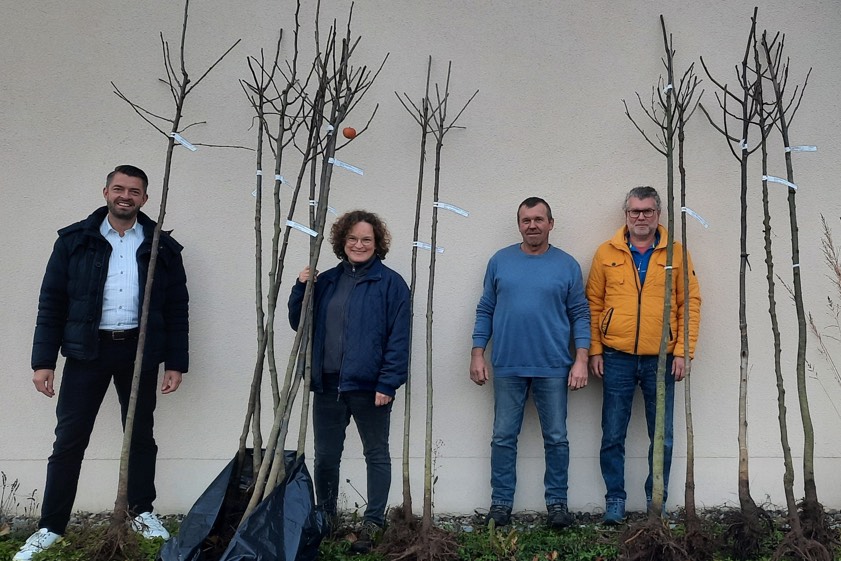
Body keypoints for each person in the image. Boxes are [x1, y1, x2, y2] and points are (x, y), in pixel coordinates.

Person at [15, 165, 189, 561]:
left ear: (145, 198)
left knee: (140, 435)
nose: (125, 196)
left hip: (140, 350)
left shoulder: (161, 245)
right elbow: (52, 302)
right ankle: (51, 526)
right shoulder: (75, 241)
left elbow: (178, 306)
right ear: (106, 191)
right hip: (86, 351)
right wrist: (43, 361)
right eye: (118, 188)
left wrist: (176, 361)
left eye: (134, 191)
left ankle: (141, 511)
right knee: (69, 440)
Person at [288, 210, 410, 554]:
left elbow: (399, 339)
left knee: (376, 454)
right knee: (326, 456)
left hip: (370, 387)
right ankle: (326, 517)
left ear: (377, 244)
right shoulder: (325, 281)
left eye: (366, 239)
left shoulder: (391, 284)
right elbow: (301, 323)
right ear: (342, 242)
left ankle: (373, 522)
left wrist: (388, 383)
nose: (359, 244)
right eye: (353, 239)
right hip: (327, 385)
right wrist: (300, 288)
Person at [470, 197, 590, 529]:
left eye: (539, 219)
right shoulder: (500, 261)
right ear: (519, 224)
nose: (532, 225)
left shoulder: (567, 265)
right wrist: (477, 352)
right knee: (503, 437)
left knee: (556, 438)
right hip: (507, 365)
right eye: (526, 220)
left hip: (553, 365)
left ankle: (557, 504)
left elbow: (580, 315)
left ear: (551, 223)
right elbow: (485, 309)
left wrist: (581, 359)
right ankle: (500, 504)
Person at [585, 186, 701, 525]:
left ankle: (656, 503)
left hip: (661, 360)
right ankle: (615, 501)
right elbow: (593, 304)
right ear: (626, 214)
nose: (641, 217)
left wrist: (682, 351)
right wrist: (594, 349)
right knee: (613, 434)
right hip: (616, 356)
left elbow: (689, 303)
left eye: (647, 211)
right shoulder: (606, 253)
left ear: (658, 215)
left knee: (662, 436)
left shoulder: (677, 254)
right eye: (635, 211)